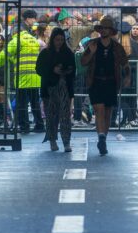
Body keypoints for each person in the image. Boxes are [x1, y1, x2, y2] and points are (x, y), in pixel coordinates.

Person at [81, 16, 129, 156]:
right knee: (99, 110)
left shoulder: (116, 47)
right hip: (95, 81)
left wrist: (127, 77)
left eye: (107, 28)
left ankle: (103, 138)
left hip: (111, 82)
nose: (104, 30)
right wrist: (92, 52)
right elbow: (83, 61)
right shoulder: (92, 44)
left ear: (111, 30)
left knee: (107, 112)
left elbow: (125, 63)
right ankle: (101, 136)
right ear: (100, 29)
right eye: (102, 28)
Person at [0, 9, 43, 134]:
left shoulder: (16, 40)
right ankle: (39, 125)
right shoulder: (33, 40)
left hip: (23, 78)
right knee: (35, 103)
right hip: (36, 77)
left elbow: (3, 56)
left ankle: (24, 127)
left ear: (15, 32)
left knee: (21, 105)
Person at [36, 27, 76, 152]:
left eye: (62, 40)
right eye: (57, 40)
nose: (59, 42)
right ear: (52, 40)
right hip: (49, 90)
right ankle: (52, 140)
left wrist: (67, 71)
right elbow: (39, 69)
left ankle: (66, 142)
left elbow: (74, 70)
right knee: (51, 116)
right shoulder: (45, 53)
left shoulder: (68, 53)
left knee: (65, 116)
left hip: (64, 88)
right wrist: (52, 70)